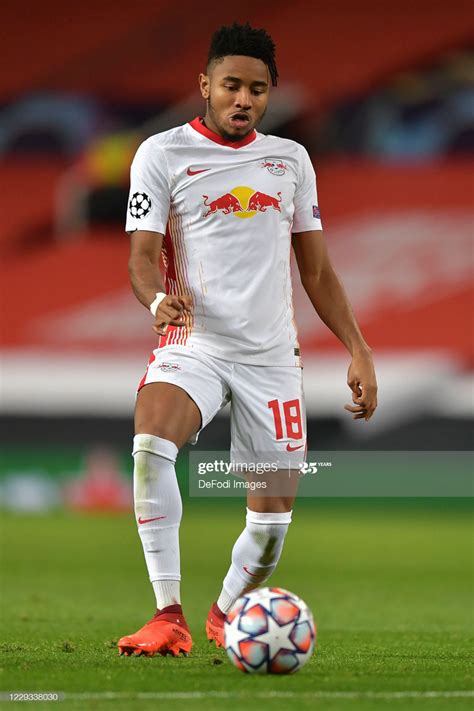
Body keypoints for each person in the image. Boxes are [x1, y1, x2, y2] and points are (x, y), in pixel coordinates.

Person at [118, 22, 377, 658]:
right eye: (231, 85)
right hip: (194, 341)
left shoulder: (290, 160)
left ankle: (226, 613)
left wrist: (357, 348)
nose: (243, 99)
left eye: (257, 89)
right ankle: (167, 615)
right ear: (204, 85)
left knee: (269, 530)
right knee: (152, 441)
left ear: (270, 95)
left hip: (270, 360)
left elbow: (315, 270)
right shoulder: (162, 153)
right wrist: (156, 301)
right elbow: (141, 258)